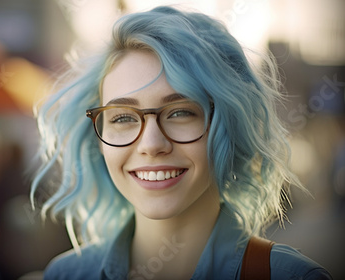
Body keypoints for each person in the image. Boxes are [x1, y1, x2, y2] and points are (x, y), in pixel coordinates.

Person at [30, 6, 332, 280]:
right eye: (122, 117)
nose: (151, 144)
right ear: (100, 140)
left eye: (180, 112)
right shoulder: (66, 274)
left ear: (227, 125)